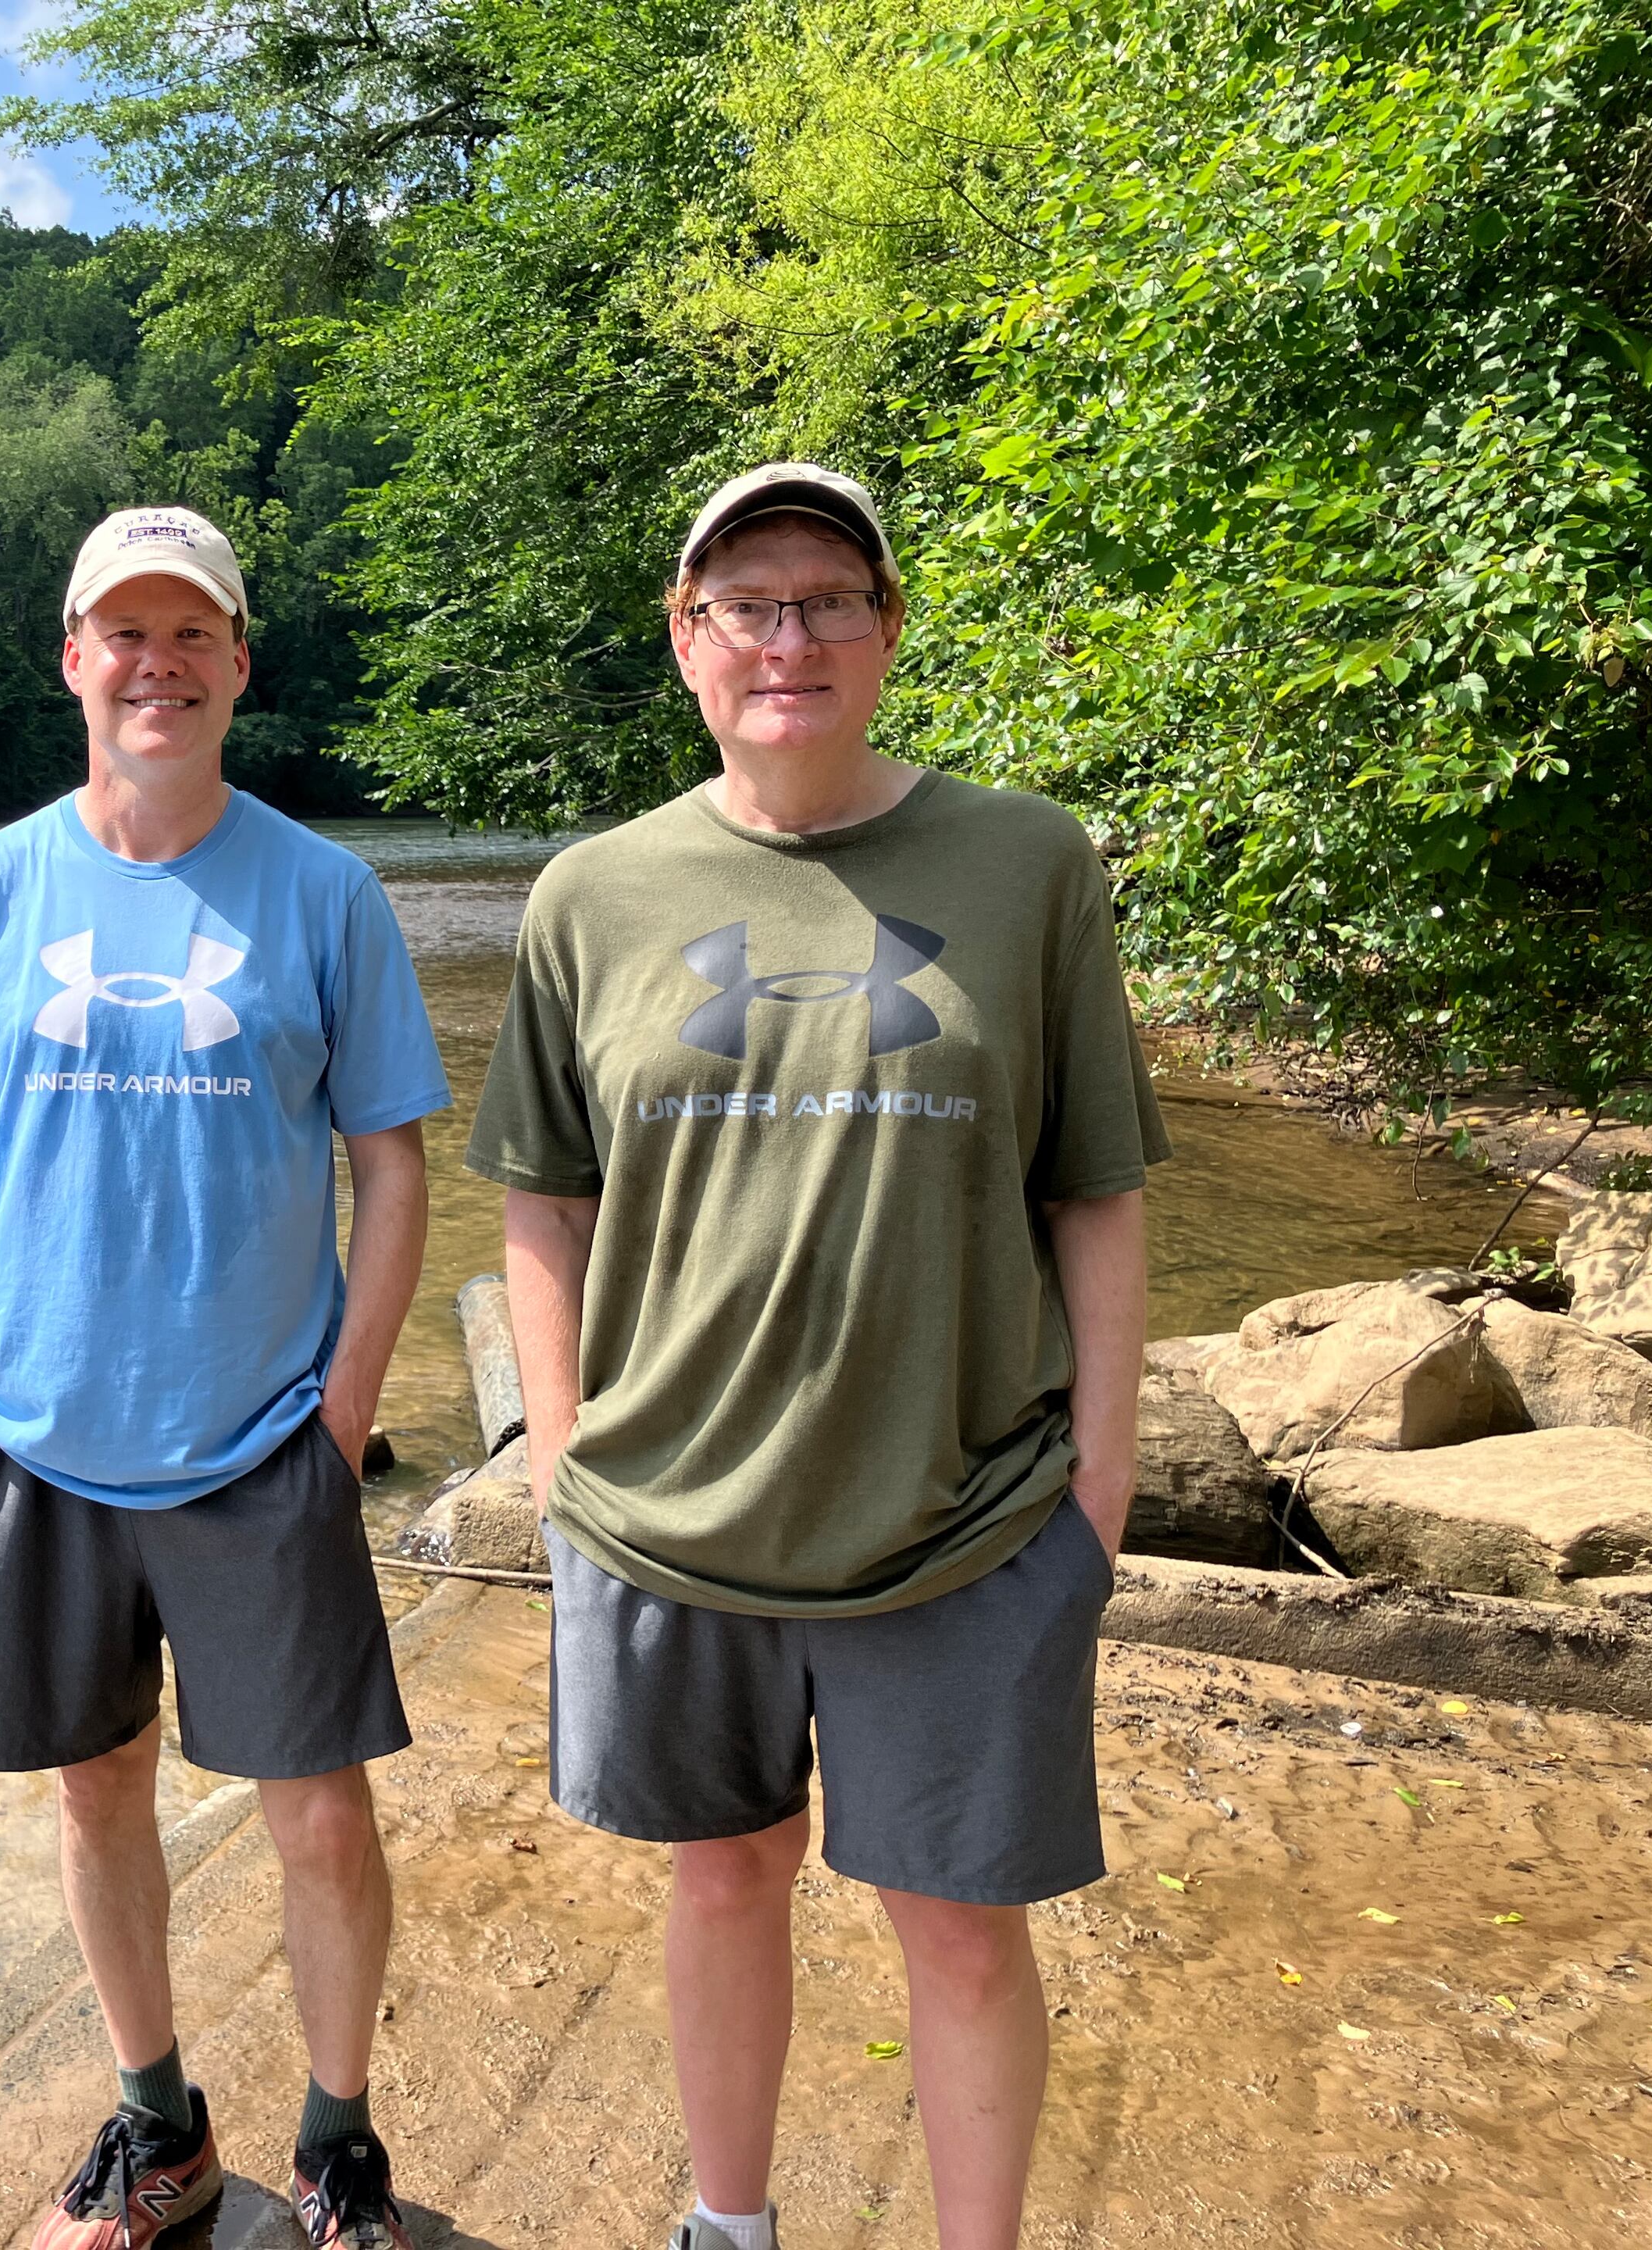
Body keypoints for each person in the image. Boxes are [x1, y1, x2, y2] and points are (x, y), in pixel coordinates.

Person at [463, 464, 1165, 2250]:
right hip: (671, 1519)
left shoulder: (1026, 866)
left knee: (956, 1916)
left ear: (890, 628)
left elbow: (1095, 1186)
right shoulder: (594, 895)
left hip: (969, 1516)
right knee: (724, 1875)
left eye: (829, 599)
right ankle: (730, 2224)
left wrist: (1100, 1478)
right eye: (746, 607)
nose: (791, 638)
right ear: (687, 646)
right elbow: (542, 1203)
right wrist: (557, 1463)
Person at [0, 505, 451, 2250]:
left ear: (238, 666)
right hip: (36, 1441)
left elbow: (396, 1169)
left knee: (321, 1817)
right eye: (123, 633)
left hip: (261, 1438)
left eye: (191, 634)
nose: (158, 664)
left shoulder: (321, 891)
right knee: (94, 1789)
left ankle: (342, 2144)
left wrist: (347, 1410)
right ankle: (158, 2125)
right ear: (72, 662)